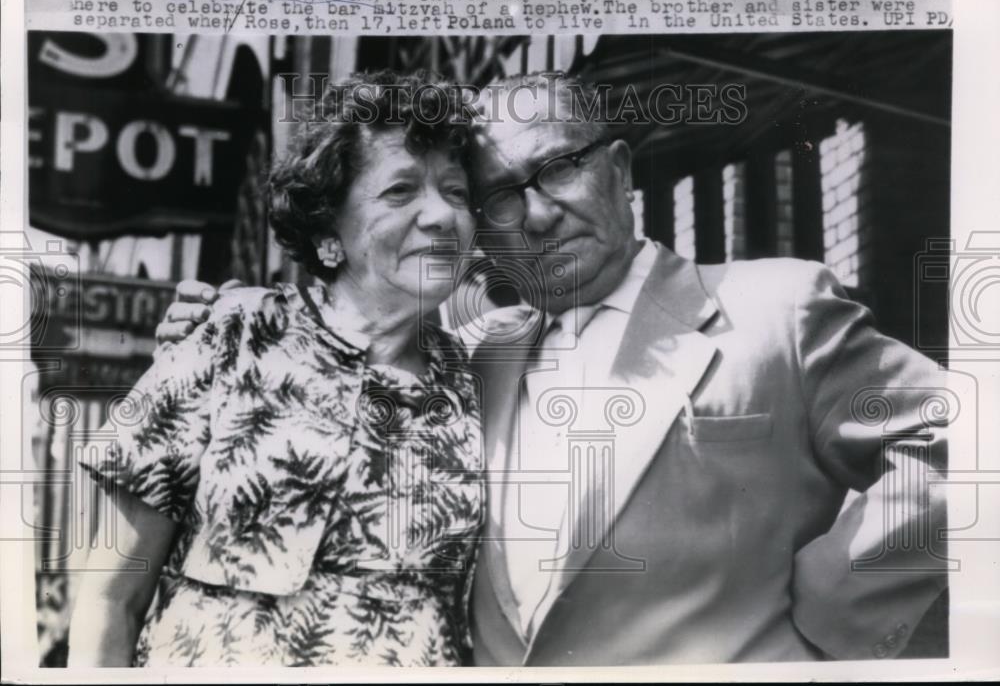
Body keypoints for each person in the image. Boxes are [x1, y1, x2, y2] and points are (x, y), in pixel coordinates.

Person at [158, 72, 949, 665]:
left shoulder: (774, 308)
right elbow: (346, 336)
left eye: (558, 168)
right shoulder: (471, 355)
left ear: (619, 169)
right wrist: (234, 315)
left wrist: (835, 622)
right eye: (498, 196)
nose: (534, 213)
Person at [68, 70, 483, 667]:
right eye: (400, 191)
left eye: (457, 191)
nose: (442, 215)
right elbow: (110, 600)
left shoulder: (475, 380)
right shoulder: (231, 334)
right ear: (327, 229)